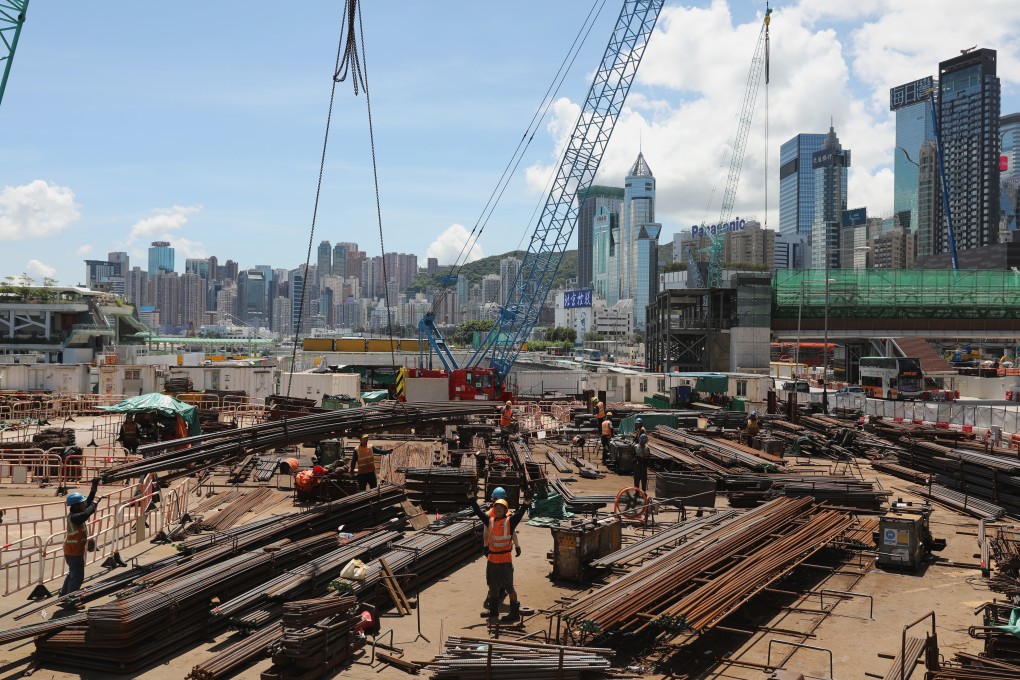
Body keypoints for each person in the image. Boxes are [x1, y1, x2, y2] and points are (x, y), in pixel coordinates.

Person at [470, 492, 531, 622]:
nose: (498, 509)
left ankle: (514, 613)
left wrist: (526, 501)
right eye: (496, 507)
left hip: (505, 562)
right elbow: (478, 512)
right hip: (492, 561)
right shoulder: (490, 520)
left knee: (509, 587)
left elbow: (520, 513)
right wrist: (471, 497)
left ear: (505, 510)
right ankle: (493, 614)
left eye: (501, 508)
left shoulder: (510, 522)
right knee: (493, 588)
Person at [481, 487, 520, 610]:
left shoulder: (491, 514)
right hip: (500, 552)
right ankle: (497, 595)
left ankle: (497, 595)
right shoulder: (503, 513)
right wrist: (517, 545)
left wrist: (485, 546)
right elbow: (512, 532)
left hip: (498, 552)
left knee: (496, 577)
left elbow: (485, 534)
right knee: (502, 577)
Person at [61, 478, 100, 599]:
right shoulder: (75, 517)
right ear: (76, 506)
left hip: (74, 550)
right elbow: (87, 512)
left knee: (72, 573)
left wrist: (94, 487)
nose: (84, 504)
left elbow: (88, 502)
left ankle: (63, 594)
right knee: (77, 576)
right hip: (73, 552)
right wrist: (94, 505)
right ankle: (71, 599)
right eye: (82, 503)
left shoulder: (77, 512)